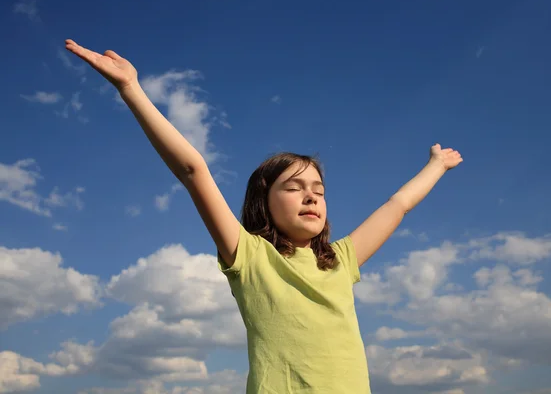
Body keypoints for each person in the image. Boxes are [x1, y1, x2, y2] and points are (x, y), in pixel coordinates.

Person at [65, 39, 463, 393]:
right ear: (263, 203)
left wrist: (436, 166)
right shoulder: (249, 256)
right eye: (293, 188)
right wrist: (131, 88)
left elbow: (398, 205)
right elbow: (193, 170)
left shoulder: (341, 261)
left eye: (319, 192)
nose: (311, 197)